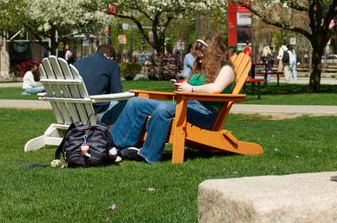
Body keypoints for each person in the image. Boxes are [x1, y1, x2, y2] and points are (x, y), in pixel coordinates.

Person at [110, 35, 234, 164]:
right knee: (136, 103)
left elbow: (215, 88)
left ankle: (148, 155)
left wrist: (191, 89)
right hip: (187, 106)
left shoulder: (226, 69)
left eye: (203, 57)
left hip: (205, 114)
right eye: (198, 57)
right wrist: (181, 86)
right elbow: (187, 85)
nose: (200, 61)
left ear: (215, 55)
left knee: (164, 108)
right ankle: (114, 147)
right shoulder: (200, 70)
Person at [73, 44, 125, 124]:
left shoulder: (78, 63)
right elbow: (118, 93)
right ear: (111, 58)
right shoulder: (112, 64)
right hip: (96, 112)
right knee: (124, 104)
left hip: (76, 111)